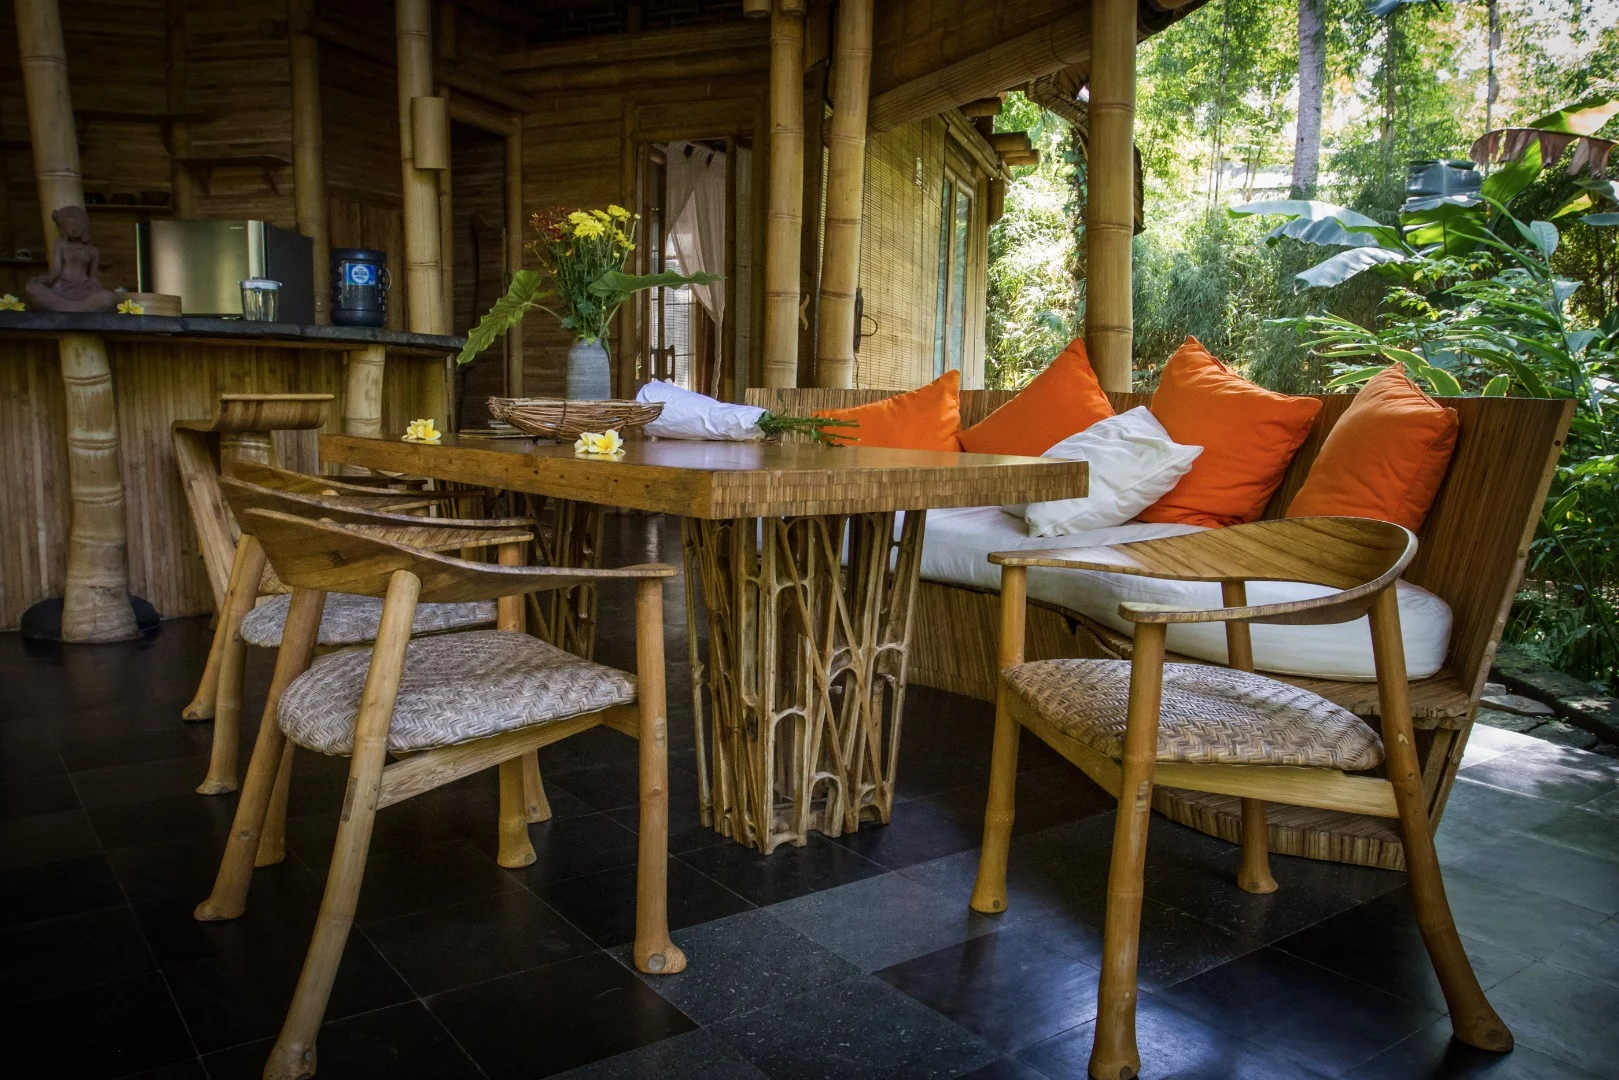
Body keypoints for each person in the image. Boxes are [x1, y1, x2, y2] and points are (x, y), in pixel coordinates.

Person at [24, 206, 119, 312]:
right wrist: (45, 279)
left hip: (83, 289)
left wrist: (98, 287)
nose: (73, 230)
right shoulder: (60, 244)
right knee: (32, 287)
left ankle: (69, 308)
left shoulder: (93, 251)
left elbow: (93, 277)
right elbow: (56, 270)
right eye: (68, 227)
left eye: (76, 226)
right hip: (62, 288)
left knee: (110, 298)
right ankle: (75, 309)